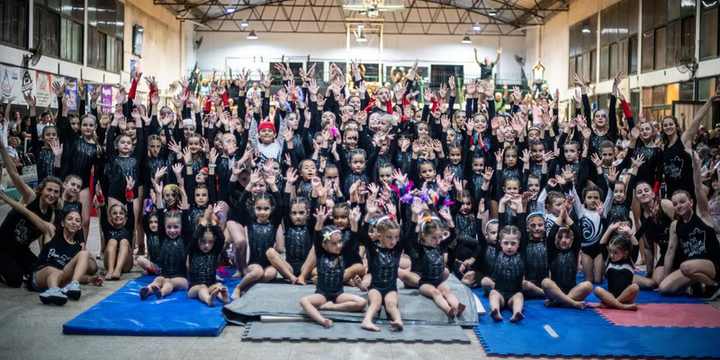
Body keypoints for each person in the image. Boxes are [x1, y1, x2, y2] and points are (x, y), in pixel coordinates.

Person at [0, 140, 61, 288]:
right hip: (3, 246)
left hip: (21, 250)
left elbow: (45, 239)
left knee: (39, 271)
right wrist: (2, 148)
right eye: (49, 190)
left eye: (55, 192)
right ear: (42, 190)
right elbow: (13, 172)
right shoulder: (30, 197)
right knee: (15, 281)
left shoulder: (50, 215)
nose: (51, 194)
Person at [299, 207, 367, 328]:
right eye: (334, 243)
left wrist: (354, 223)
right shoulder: (320, 254)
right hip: (322, 294)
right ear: (324, 245)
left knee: (361, 302)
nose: (339, 245)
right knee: (304, 301)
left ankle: (329, 307)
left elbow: (352, 238)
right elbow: (316, 236)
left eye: (340, 242)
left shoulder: (343, 254)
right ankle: (321, 320)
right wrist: (319, 222)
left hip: (338, 295)